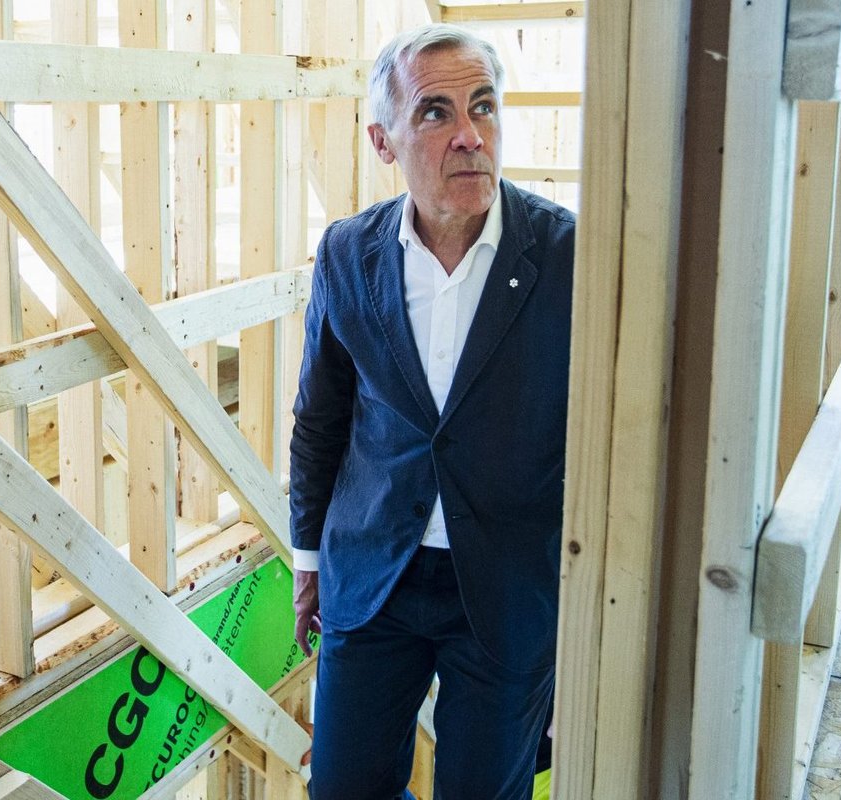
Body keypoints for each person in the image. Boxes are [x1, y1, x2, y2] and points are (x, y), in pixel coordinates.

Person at [288, 23, 574, 800]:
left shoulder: (567, 256)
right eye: (435, 113)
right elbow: (321, 421)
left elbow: (602, 448)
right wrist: (308, 562)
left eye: (483, 106)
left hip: (509, 588)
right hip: (375, 574)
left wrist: (580, 624)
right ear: (384, 142)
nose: (469, 135)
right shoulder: (347, 254)